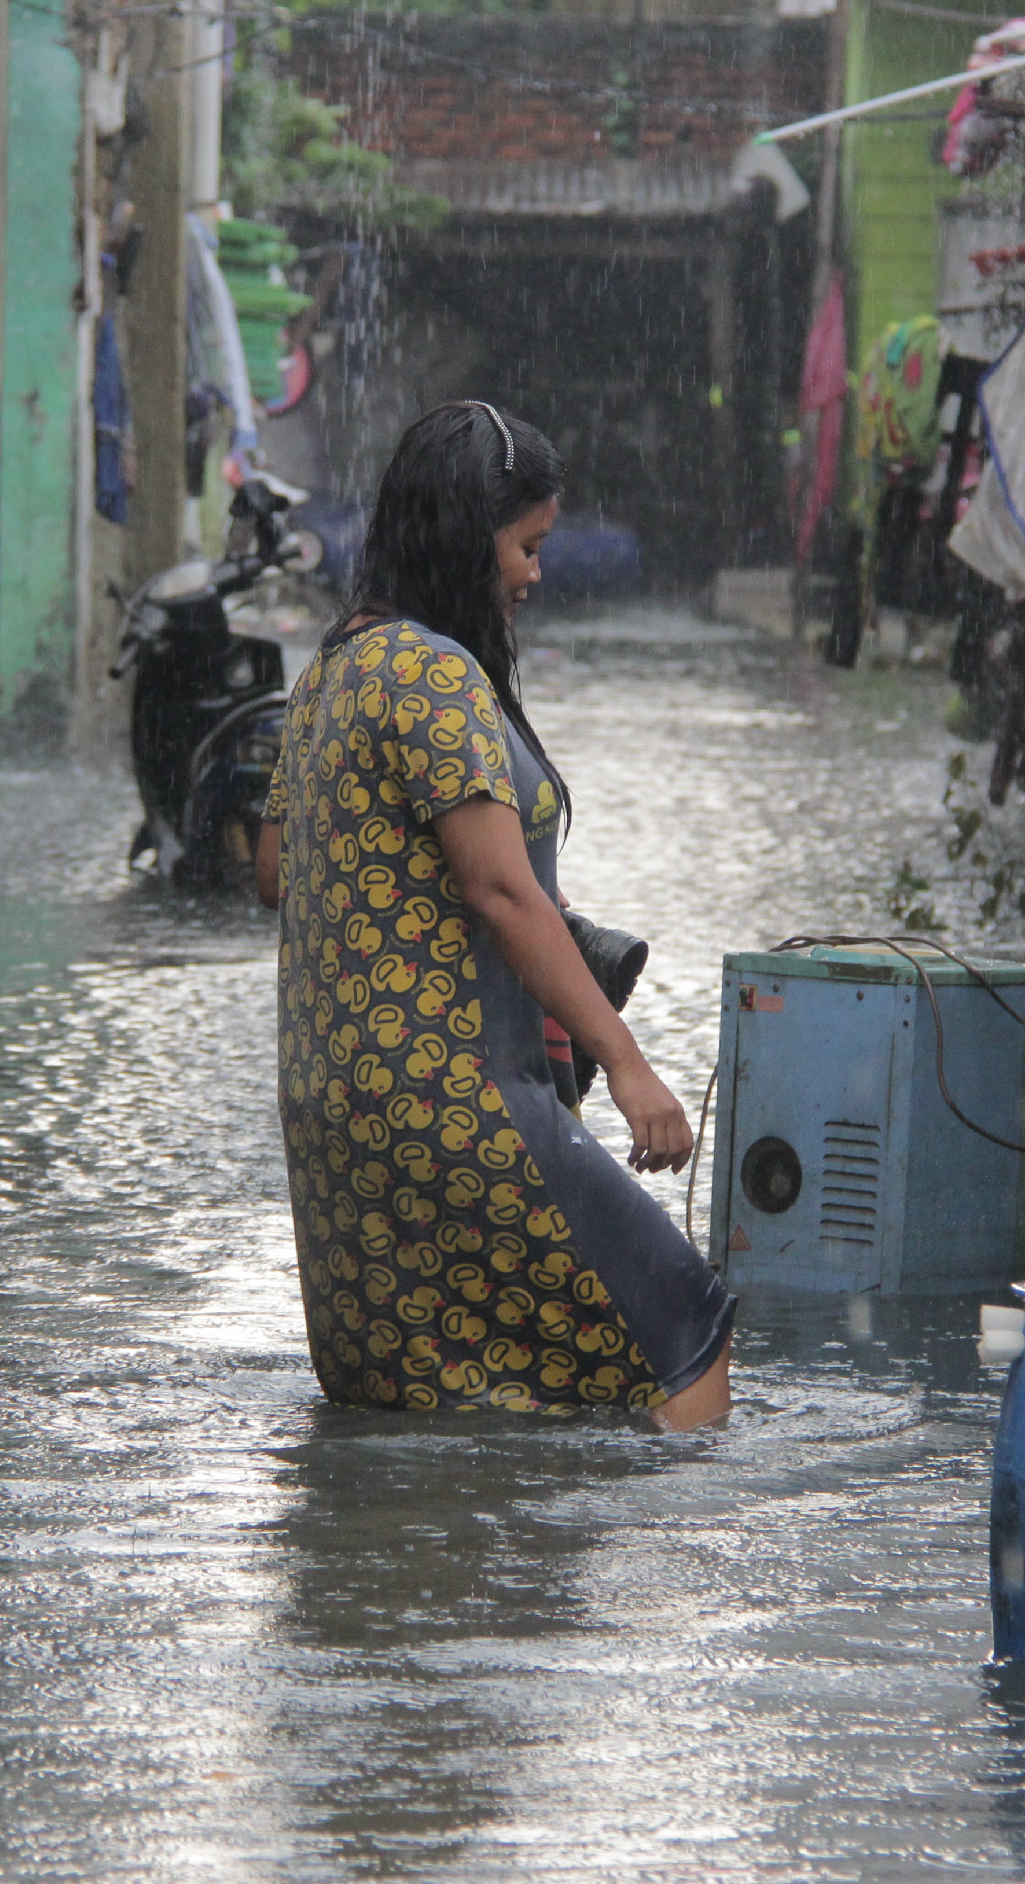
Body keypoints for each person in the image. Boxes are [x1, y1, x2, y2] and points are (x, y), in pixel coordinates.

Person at [254, 401, 736, 1430]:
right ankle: (667, 1552)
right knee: (684, 1326)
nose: (534, 573)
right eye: (526, 545)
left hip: (335, 1116)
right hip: (455, 1095)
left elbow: (277, 872)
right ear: (464, 536)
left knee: (441, 1399)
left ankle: (460, 1576)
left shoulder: (331, 672)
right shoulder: (434, 671)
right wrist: (631, 1060)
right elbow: (498, 889)